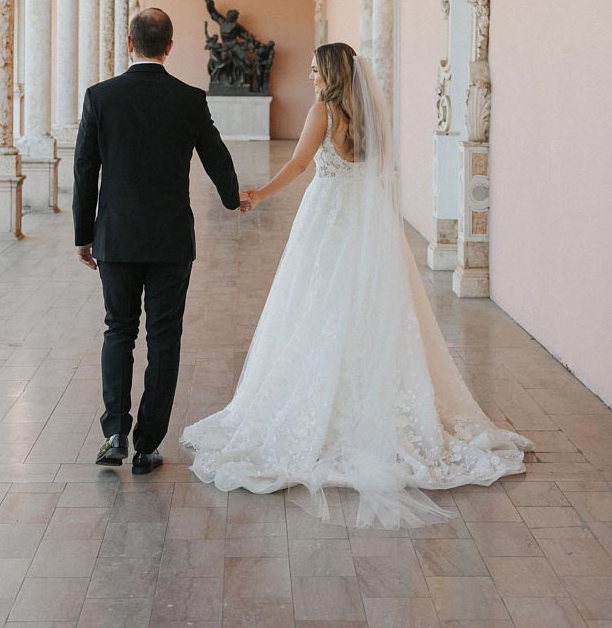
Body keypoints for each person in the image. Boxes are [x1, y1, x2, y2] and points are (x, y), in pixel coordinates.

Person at [181, 41, 529, 526]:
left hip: (327, 218)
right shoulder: (367, 114)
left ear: (329, 73)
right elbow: (377, 171)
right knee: (366, 306)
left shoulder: (324, 110)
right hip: (365, 225)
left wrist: (259, 193)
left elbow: (301, 163)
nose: (310, 78)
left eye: (313, 71)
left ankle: (327, 407)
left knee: (316, 306)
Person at [71, 6, 242, 475]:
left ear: (129, 44)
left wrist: (83, 235)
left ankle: (113, 433)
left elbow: (86, 169)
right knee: (164, 338)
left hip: (117, 238)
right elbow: (216, 154)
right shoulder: (188, 99)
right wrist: (232, 199)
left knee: (118, 330)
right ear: (170, 46)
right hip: (170, 240)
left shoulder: (101, 97)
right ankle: (147, 445)